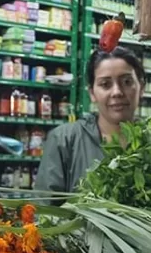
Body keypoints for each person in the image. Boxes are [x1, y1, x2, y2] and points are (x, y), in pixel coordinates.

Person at [34, 47, 145, 193]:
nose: (117, 92)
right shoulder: (64, 140)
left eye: (126, 82)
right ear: (92, 93)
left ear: (141, 87)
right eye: (105, 84)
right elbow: (45, 209)